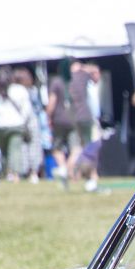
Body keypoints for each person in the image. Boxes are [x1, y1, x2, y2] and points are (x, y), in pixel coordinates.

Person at [48, 60, 92, 188]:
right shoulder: (79, 78)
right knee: (76, 147)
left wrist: (48, 116)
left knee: (56, 147)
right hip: (74, 118)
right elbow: (93, 70)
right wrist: (81, 67)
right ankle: (67, 169)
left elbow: (52, 101)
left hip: (59, 119)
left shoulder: (56, 81)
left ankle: (63, 168)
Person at [0, 67, 34, 182]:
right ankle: (15, 174)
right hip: (16, 124)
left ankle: (7, 173)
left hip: (0, 125)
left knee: (4, 152)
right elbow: (27, 109)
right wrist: (23, 121)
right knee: (15, 150)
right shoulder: (19, 90)